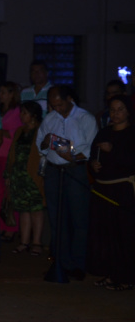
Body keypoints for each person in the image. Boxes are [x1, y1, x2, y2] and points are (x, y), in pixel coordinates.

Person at [36, 85, 97, 281]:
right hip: (54, 171)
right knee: (57, 219)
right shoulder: (50, 118)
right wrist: (46, 142)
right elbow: (40, 145)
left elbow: (91, 147)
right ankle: (62, 262)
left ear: (70, 99)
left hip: (75, 171)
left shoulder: (85, 118)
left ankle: (78, 264)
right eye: (53, 106)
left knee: (79, 219)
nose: (57, 109)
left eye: (60, 104)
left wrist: (73, 157)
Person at [87, 95, 135, 291]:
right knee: (105, 235)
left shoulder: (132, 134)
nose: (115, 114)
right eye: (113, 110)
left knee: (123, 234)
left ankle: (127, 277)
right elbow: (93, 154)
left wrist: (112, 150)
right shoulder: (105, 132)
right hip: (102, 189)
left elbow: (130, 161)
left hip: (121, 189)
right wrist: (94, 164)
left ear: (128, 112)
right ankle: (110, 273)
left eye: (120, 109)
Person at [5, 100, 45, 256]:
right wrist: (9, 173)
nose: (21, 116)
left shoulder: (41, 131)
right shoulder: (20, 131)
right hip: (19, 175)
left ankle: (37, 242)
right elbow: (12, 152)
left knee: (36, 209)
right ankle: (24, 242)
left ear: (34, 115)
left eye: (25, 113)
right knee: (23, 209)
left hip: (34, 176)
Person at [0, 81, 22, 241]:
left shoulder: (17, 111)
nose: (1, 95)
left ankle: (12, 227)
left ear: (12, 94)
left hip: (9, 155)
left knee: (10, 191)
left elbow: (17, 134)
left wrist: (0, 131)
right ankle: (0, 225)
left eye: (4, 92)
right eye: (0, 92)